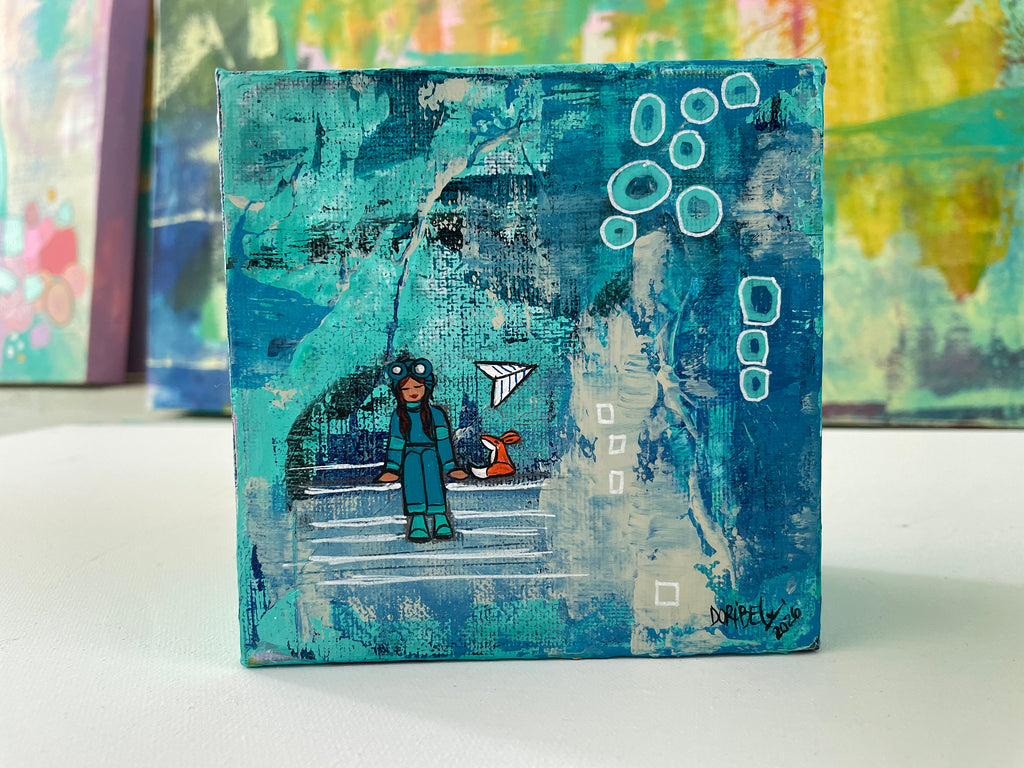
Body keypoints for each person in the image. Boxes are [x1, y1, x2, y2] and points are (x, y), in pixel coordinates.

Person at [375, 358, 467, 541]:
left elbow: (443, 442)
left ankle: (440, 519)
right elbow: (396, 443)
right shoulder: (398, 416)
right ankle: (417, 521)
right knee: (413, 485)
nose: (413, 392)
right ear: (399, 392)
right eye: (406, 389)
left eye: (417, 386)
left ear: (426, 387)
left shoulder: (436, 414)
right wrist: (392, 468)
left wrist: (450, 466)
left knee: (434, 484)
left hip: (431, 455)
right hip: (410, 457)